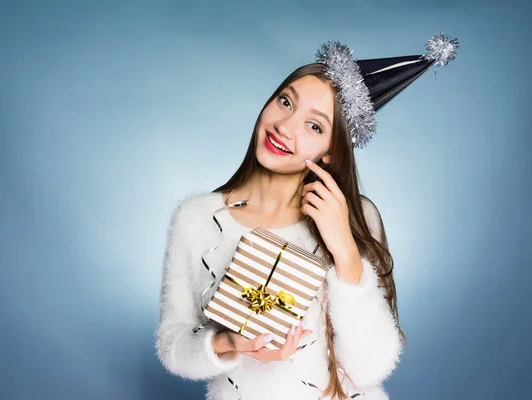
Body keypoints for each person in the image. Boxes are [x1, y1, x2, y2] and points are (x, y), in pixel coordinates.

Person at [155, 35, 459, 400]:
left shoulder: (357, 216)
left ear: (331, 152)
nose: (285, 126)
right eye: (285, 101)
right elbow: (173, 345)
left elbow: (372, 366)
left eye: (314, 126)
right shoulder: (197, 217)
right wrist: (227, 342)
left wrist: (345, 250)